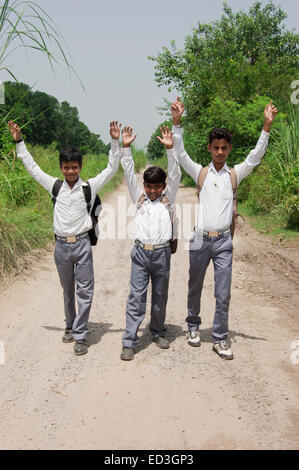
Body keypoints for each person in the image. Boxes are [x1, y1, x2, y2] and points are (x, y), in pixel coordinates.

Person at [171, 98, 278, 360]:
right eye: (216, 148)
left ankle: (220, 337)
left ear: (229, 149)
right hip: (199, 239)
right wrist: (176, 122)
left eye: (224, 148)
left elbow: (255, 156)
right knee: (194, 285)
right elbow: (180, 154)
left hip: (223, 243)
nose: (219, 152)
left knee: (223, 292)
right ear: (209, 148)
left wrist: (266, 125)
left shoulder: (235, 174)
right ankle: (193, 326)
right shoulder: (200, 173)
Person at [8, 120, 122, 356]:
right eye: (66, 168)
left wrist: (114, 141)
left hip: (81, 245)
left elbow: (111, 168)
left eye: (74, 167)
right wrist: (19, 141)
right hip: (61, 247)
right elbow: (33, 168)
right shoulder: (55, 186)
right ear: (61, 168)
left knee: (85, 291)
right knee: (67, 290)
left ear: (80, 167)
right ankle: (69, 324)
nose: (70, 172)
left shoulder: (89, 187)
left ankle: (80, 335)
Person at [120, 125, 181, 361]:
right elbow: (127, 172)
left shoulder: (168, 198)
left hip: (162, 254)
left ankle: (157, 331)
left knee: (160, 294)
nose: (153, 190)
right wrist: (126, 148)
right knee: (136, 295)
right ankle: (129, 340)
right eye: (149, 186)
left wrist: (170, 149)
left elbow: (175, 173)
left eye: (157, 186)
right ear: (144, 185)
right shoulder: (140, 198)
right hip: (140, 253)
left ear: (163, 186)